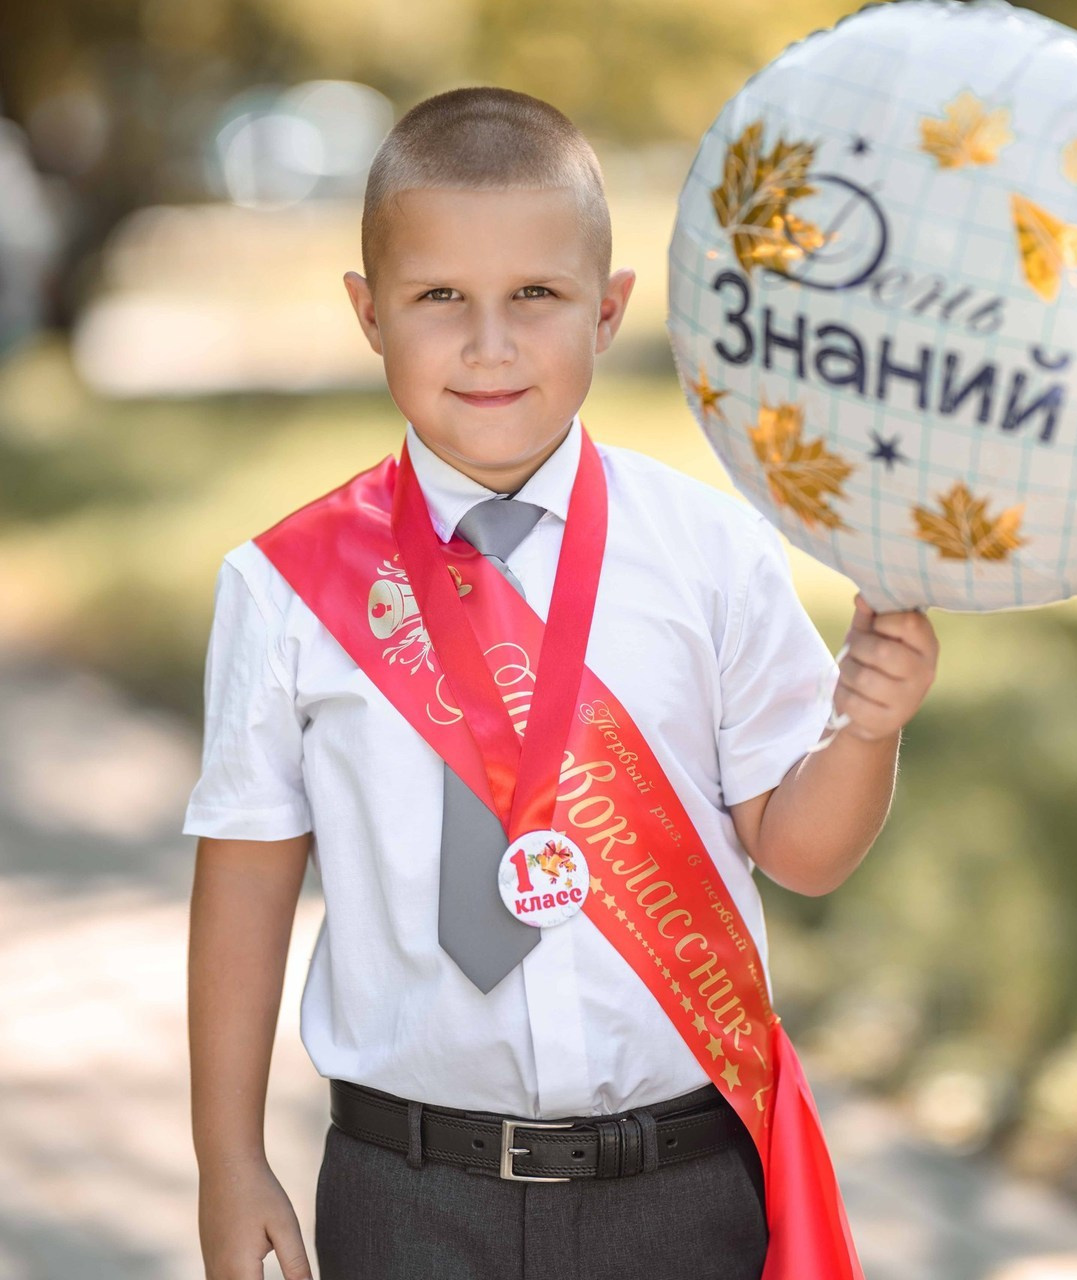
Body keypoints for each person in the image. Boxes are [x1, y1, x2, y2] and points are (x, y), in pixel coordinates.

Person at [185, 86, 940, 1280]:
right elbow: (244, 879)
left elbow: (800, 852)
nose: (489, 343)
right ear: (369, 313)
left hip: (677, 1187)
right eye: (440, 297)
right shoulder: (286, 587)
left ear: (608, 309)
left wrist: (865, 727)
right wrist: (226, 1156)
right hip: (407, 1191)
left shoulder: (707, 551)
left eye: (534, 294)